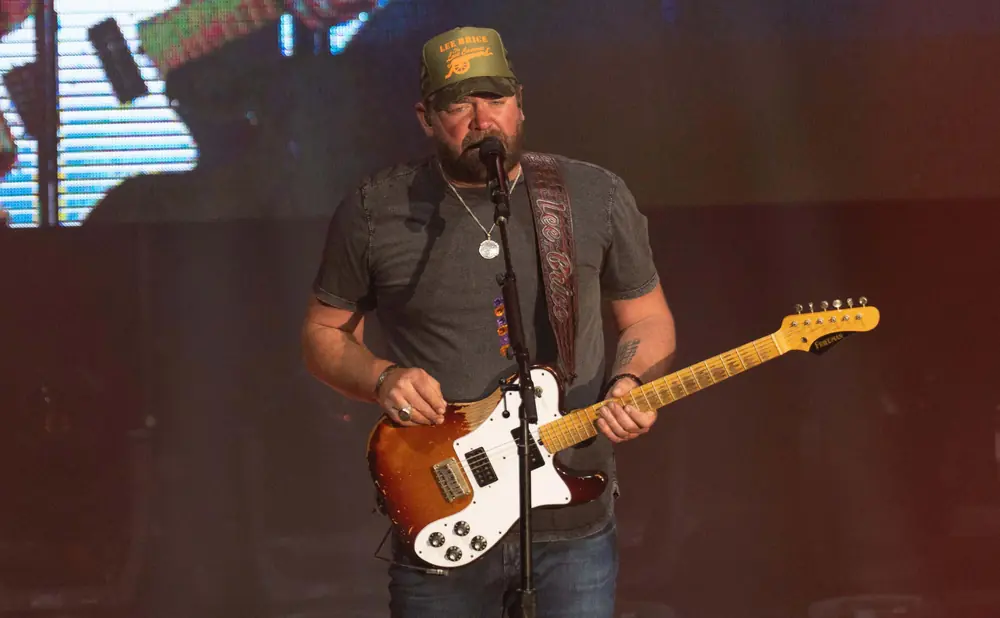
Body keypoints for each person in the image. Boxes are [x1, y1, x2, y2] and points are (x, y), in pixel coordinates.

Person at [302, 25, 676, 618]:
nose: (482, 119)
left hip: (572, 515)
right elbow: (322, 335)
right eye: (459, 103)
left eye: (496, 99)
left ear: (520, 104)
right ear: (426, 117)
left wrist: (631, 382)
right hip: (440, 513)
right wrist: (381, 377)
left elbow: (646, 317)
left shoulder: (592, 195)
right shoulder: (376, 210)